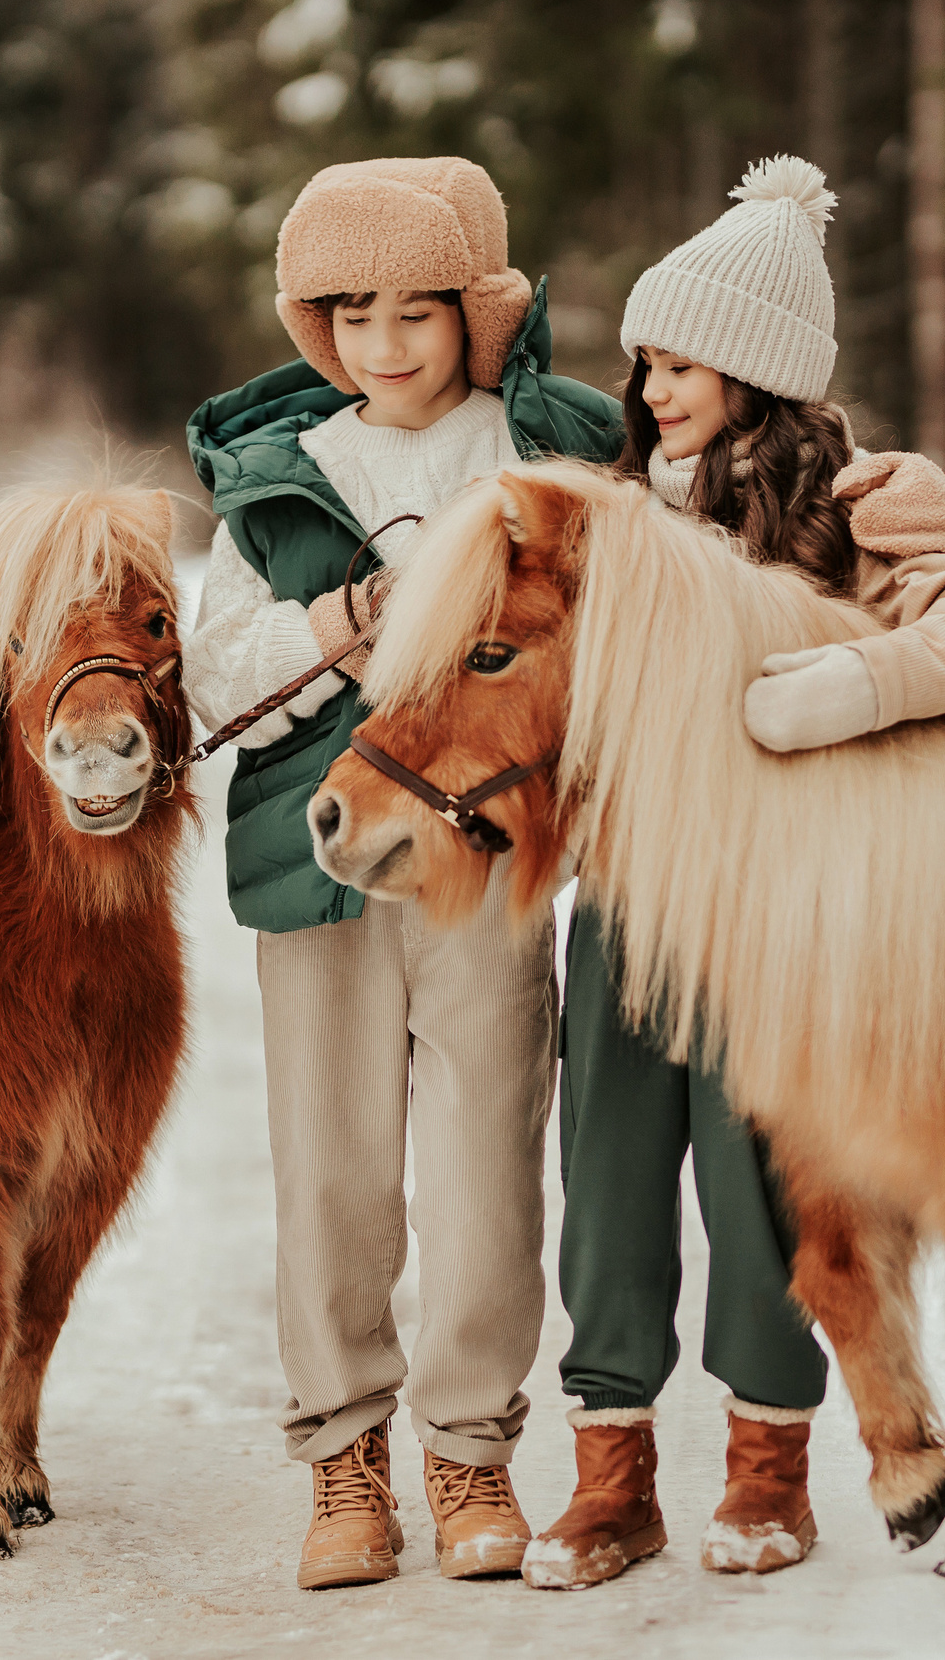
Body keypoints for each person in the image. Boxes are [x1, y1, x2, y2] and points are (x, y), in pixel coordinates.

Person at [522, 157, 945, 1591]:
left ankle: (768, 1473)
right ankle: (611, 1481)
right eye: (644, 359)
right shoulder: (608, 519)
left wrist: (847, 686)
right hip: (624, 910)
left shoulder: (854, 515)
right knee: (608, 1186)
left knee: (766, 1197)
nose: (653, 385)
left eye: (682, 359)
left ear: (755, 374)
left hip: (778, 927)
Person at [181, 157, 624, 1590]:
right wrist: (339, 626)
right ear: (314, 327)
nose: (384, 343)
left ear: (475, 314)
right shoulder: (282, 471)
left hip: (482, 863)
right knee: (332, 1170)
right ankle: (344, 1459)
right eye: (350, 312)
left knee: (487, 1162)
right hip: (313, 857)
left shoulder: (538, 459)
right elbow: (217, 669)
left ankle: (472, 1447)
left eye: (415, 311)